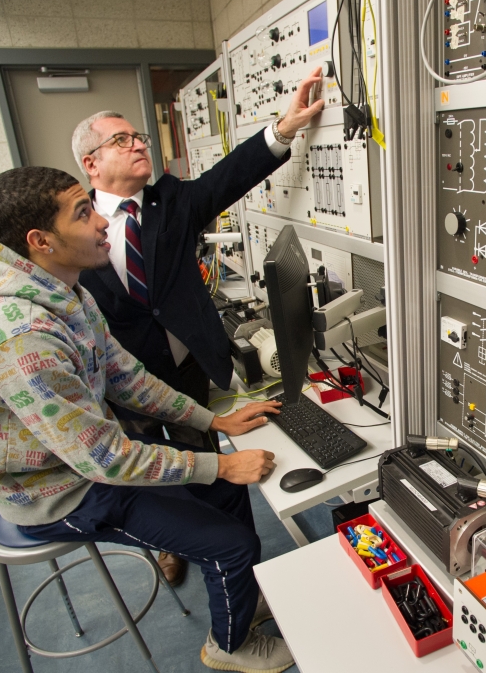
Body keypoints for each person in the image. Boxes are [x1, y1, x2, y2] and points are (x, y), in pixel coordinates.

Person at [0, 166, 294, 673]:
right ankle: (229, 646)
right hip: (54, 491)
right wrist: (219, 464)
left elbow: (126, 376)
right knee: (231, 542)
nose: (103, 222)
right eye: (83, 213)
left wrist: (214, 424)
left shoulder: (66, 294)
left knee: (227, 489)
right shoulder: (20, 337)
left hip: (82, 459)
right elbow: (104, 459)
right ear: (41, 241)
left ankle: (239, 594)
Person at [72, 66, 323, 586]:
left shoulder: (170, 201)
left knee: (204, 458)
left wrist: (285, 127)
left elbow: (229, 176)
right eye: (122, 140)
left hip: (186, 367)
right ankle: (172, 545)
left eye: (139, 136)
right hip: (124, 382)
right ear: (91, 163)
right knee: (148, 470)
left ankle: (235, 551)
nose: (138, 144)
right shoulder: (76, 227)